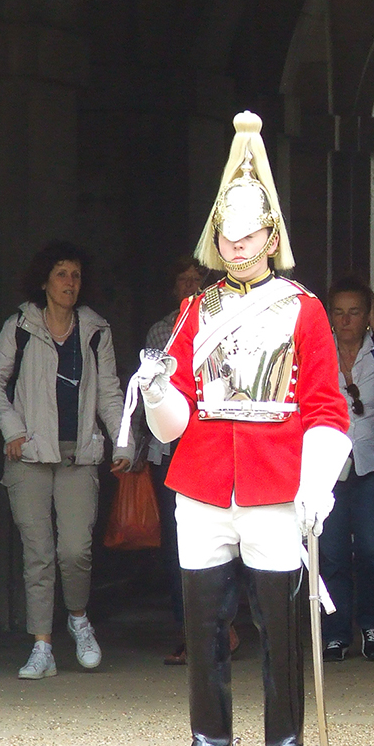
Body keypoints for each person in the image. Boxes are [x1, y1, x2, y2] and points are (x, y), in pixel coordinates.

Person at [129, 111, 350, 746]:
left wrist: (316, 481)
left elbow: (325, 405)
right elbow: (173, 423)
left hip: (273, 482)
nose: (235, 245)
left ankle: (284, 745)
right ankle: (208, 743)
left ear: (270, 236)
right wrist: (157, 389)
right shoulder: (196, 312)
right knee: (202, 622)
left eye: (248, 234)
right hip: (200, 482)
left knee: (280, 626)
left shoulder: (303, 309)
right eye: (227, 235)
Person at [0, 240, 133, 678]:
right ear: (45, 279)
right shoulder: (21, 326)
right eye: (62, 274)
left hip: (78, 453)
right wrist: (12, 428)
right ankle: (41, 646)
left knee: (75, 550)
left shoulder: (95, 329)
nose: (70, 282)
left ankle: (79, 619)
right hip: (29, 454)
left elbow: (109, 393)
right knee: (39, 552)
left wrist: (123, 443)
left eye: (76, 275)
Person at [131, 256, 235, 666]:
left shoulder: (225, 319)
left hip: (214, 442)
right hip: (169, 448)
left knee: (228, 542)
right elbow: (148, 390)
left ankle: (225, 626)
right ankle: (190, 632)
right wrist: (135, 445)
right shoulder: (161, 328)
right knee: (180, 547)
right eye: (183, 281)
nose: (191, 287)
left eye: (198, 280)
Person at [320, 275, 374, 661]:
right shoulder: (315, 352)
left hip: (373, 460)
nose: (346, 320)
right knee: (332, 552)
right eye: (339, 312)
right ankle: (337, 632)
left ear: (367, 313)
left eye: (355, 312)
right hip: (327, 466)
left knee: (372, 549)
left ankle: (371, 624)